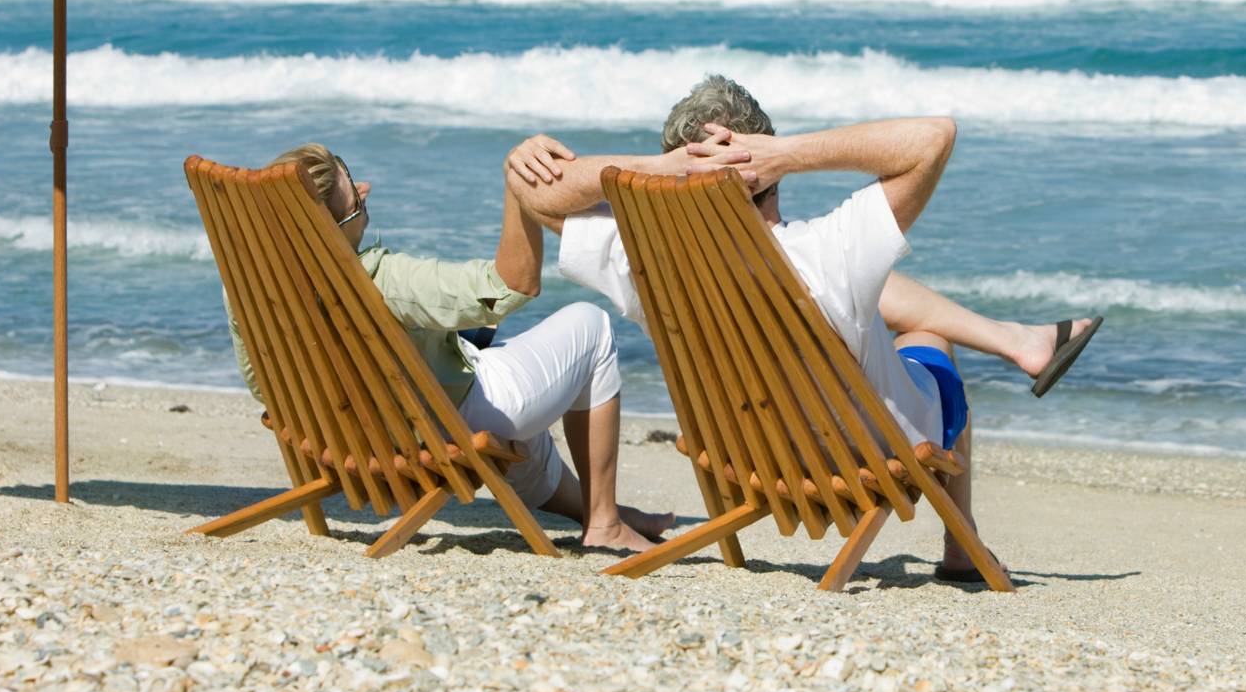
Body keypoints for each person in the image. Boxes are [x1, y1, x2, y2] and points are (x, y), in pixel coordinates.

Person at [501, 76, 1101, 580]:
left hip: (746, 461)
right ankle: (960, 544)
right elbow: (933, 135)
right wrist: (787, 152)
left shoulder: (641, 262)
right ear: (763, 166)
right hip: (867, 456)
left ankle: (1020, 340)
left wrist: (658, 169)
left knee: (874, 297)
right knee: (925, 344)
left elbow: (537, 193)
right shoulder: (830, 250)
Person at [224, 140, 671, 553]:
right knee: (590, 326)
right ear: (332, 229)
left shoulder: (246, 287)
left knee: (516, 399)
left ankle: (601, 512)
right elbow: (511, 286)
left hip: (349, 437)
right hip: (435, 429)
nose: (366, 188)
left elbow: (263, 387)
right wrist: (518, 190)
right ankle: (605, 524)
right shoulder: (381, 282)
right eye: (356, 198)